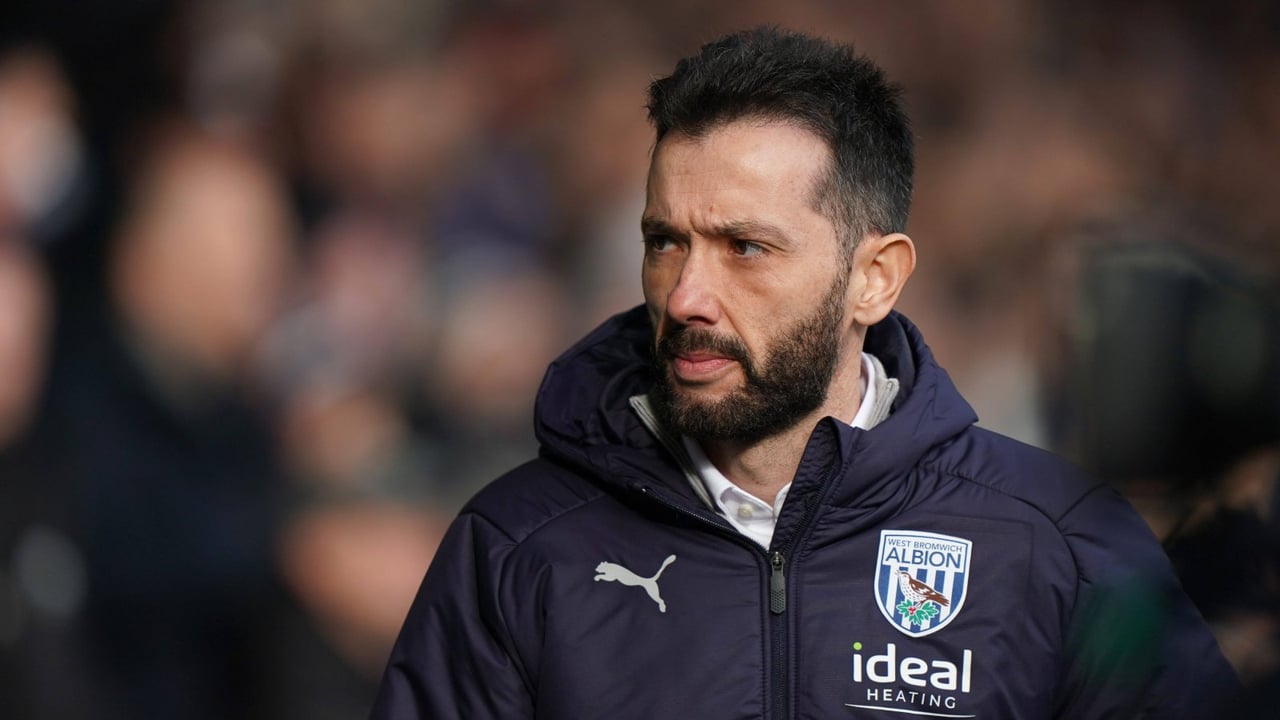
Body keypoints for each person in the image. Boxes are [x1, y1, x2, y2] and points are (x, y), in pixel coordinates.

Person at [371, 27, 1239, 718]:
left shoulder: (1062, 548)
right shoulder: (517, 547)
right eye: (665, 242)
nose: (686, 296)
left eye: (746, 247)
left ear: (875, 279)